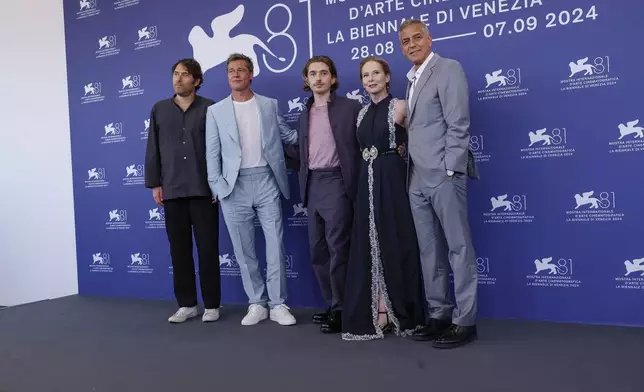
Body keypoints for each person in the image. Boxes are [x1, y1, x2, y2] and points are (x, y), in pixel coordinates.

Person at [399, 19, 480, 349]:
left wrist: (450, 169)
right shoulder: (412, 78)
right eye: (405, 41)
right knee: (429, 250)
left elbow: (458, 122)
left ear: (430, 39)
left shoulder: (447, 68)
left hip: (444, 175)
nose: (412, 44)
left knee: (458, 247)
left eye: (417, 38)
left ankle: (466, 321)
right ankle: (439, 315)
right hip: (416, 176)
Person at [205, 53, 298, 326]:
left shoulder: (269, 104)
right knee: (244, 250)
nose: (236, 74)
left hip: (267, 180)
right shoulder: (216, 111)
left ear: (250, 74)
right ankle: (256, 303)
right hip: (233, 186)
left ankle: (278, 304)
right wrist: (218, 187)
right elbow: (212, 153)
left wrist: (322, 128)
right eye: (231, 71)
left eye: (241, 70)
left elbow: (288, 136)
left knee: (275, 244)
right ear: (227, 76)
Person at [341, 56, 426, 341]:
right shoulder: (361, 113)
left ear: (387, 77)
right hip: (366, 181)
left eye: (376, 73)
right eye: (366, 75)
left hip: (392, 179)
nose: (371, 79)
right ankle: (377, 307)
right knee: (368, 241)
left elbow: (418, 143)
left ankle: (397, 311)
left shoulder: (401, 106)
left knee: (395, 238)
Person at [144, 58, 221, 324]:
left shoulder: (211, 108)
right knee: (179, 250)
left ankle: (212, 304)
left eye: (185, 75)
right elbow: (153, 148)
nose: (178, 79)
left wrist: (218, 183)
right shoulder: (160, 109)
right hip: (173, 190)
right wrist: (156, 183)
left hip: (204, 190)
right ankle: (187, 304)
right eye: (175, 74)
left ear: (197, 81)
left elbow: (221, 149)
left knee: (208, 249)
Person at [292, 56, 362, 334]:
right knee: (318, 251)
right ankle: (332, 304)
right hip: (312, 184)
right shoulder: (303, 114)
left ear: (333, 78)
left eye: (324, 73)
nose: (318, 78)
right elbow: (300, 154)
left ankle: (344, 309)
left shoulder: (351, 108)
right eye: (313, 74)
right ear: (306, 80)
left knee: (338, 249)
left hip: (337, 182)